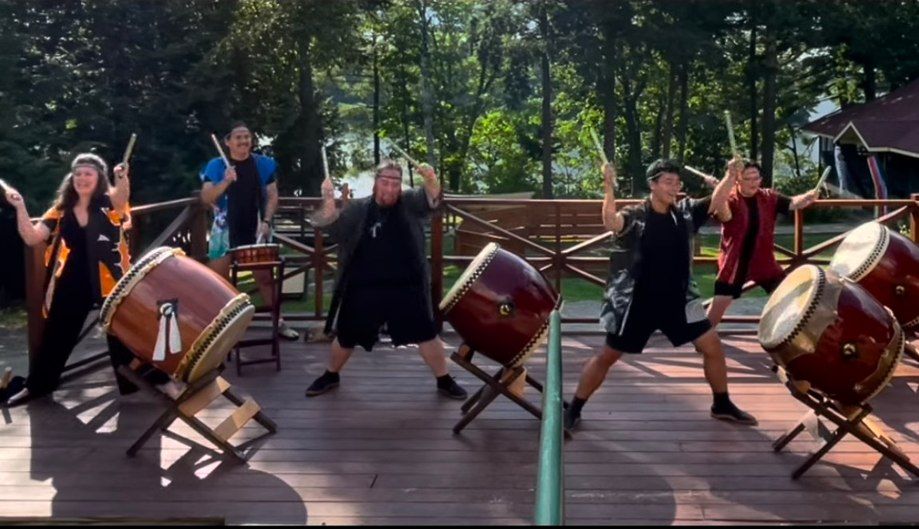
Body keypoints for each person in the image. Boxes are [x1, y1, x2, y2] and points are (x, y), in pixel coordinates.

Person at [564, 157, 757, 430]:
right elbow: (611, 221)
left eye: (677, 182)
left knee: (712, 346)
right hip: (637, 303)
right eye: (668, 182)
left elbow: (715, 201)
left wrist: (730, 175)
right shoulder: (636, 216)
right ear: (652, 185)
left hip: (679, 301)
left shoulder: (685, 212)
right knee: (607, 356)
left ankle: (721, 404)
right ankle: (574, 408)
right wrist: (609, 187)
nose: (674, 187)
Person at [3, 153, 172, 406]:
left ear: (99, 178)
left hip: (109, 276)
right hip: (73, 276)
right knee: (58, 331)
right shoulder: (60, 209)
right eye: (78, 174)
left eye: (88, 174)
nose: (82, 178)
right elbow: (32, 237)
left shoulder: (109, 202)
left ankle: (154, 381)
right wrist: (20, 207)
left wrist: (121, 178)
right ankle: (37, 385)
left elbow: (122, 196)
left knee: (122, 329)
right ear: (72, 178)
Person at [304, 159, 467, 400]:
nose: (390, 189)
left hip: (406, 284)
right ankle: (331, 375)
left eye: (395, 183)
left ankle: (444, 380)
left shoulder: (410, 202)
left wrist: (431, 180)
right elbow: (334, 231)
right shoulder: (358, 209)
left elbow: (431, 199)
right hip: (363, 285)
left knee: (426, 333)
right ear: (375, 183)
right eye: (385, 182)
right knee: (347, 335)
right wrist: (328, 199)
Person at [199, 122, 299, 340]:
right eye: (238, 137)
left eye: (247, 137)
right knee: (218, 280)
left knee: (265, 278)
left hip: (256, 227)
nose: (244, 141)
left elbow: (272, 195)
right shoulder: (216, 166)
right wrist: (226, 181)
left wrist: (266, 220)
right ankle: (221, 328)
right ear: (227, 142)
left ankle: (279, 322)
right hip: (225, 229)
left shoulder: (263, 164)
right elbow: (206, 198)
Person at [706, 160, 818, 326]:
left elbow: (793, 203)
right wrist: (723, 186)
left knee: (787, 295)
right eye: (748, 179)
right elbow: (723, 214)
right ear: (738, 180)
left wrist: (808, 197)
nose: (753, 182)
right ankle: (702, 339)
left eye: (756, 178)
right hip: (735, 262)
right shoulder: (731, 199)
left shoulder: (768, 197)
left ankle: (788, 337)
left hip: (764, 261)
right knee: (720, 304)